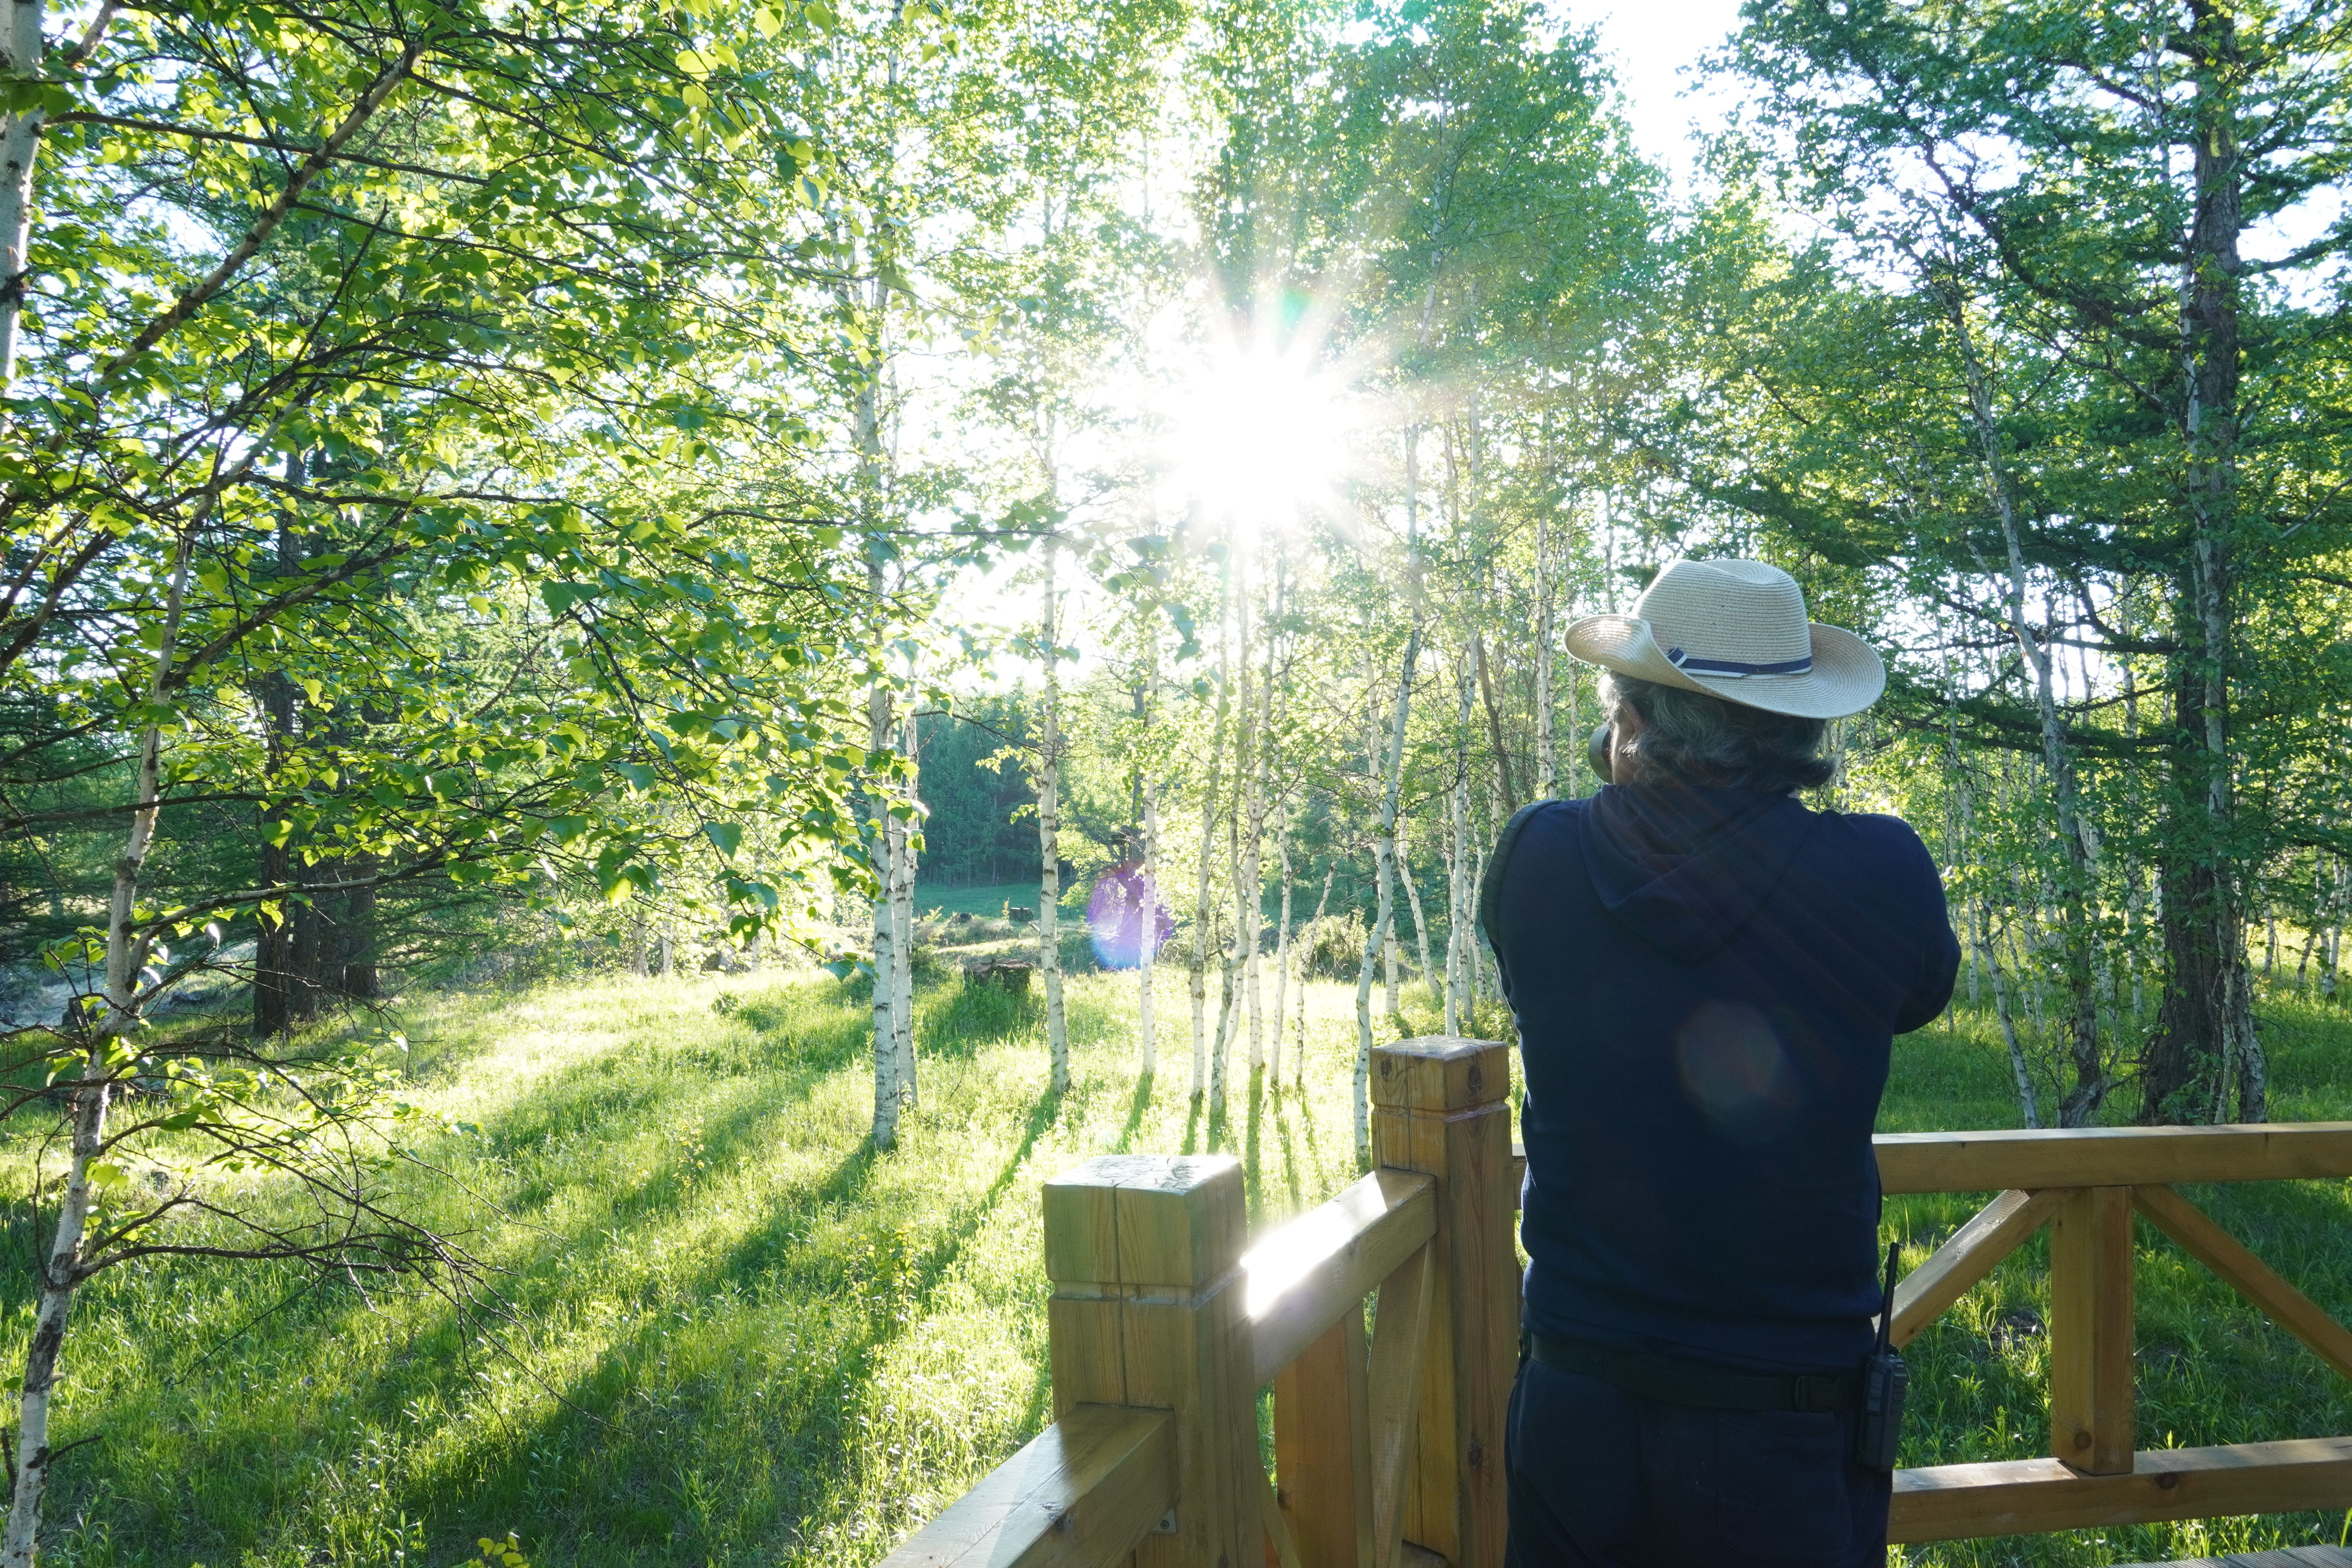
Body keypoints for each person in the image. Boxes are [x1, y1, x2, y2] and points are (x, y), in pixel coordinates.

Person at [1481, 557, 1960, 1568]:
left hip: (1580, 1382)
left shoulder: (1541, 857)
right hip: (1787, 1405)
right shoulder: (1881, 869)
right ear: (1797, 726)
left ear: (1635, 718)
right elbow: (1918, 999)